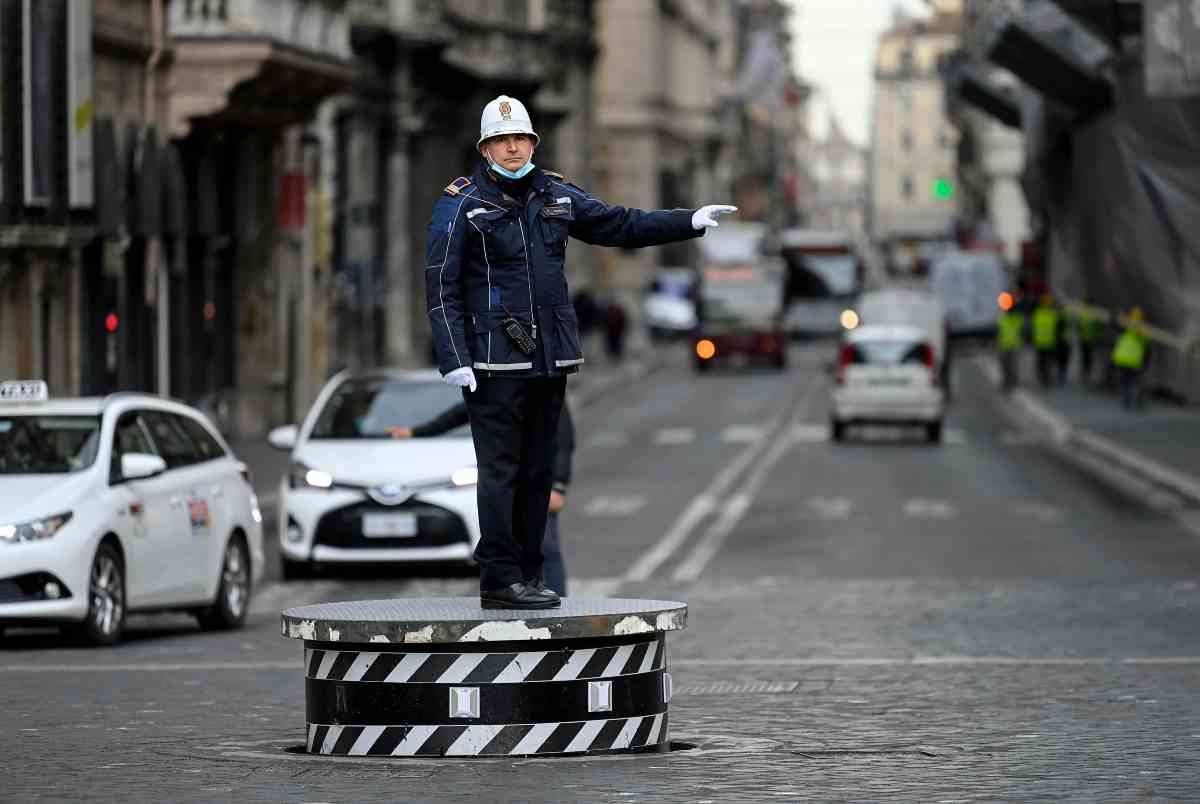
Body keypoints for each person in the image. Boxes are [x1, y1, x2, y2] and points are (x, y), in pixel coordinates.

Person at [424, 94, 735, 609]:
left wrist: (689, 221)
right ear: (484, 148)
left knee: (538, 472)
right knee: (501, 472)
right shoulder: (460, 204)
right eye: (501, 141)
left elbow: (619, 224)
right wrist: (455, 358)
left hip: (549, 356)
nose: (512, 149)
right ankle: (500, 578)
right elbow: (441, 286)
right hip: (494, 359)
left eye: (520, 139)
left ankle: (529, 573)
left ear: (532, 143)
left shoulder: (554, 193)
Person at [390, 400, 577, 595]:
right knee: (511, 547)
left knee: (545, 546)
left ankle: (558, 600)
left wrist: (558, 485)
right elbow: (461, 412)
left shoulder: (538, 380)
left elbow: (562, 436)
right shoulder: (497, 387)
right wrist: (416, 432)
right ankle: (521, 594)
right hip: (504, 481)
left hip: (535, 481)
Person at [1111, 306, 1149, 410]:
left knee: (1125, 382)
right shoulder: (1142, 329)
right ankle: (1134, 402)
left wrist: (1114, 317)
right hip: (1134, 360)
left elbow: (1114, 324)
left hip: (1123, 359)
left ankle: (1127, 402)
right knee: (1133, 382)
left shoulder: (1127, 326)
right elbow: (1146, 347)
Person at [996, 291, 1024, 392]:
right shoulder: (1003, 317)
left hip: (1012, 345)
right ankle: (1008, 382)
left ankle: (1011, 382)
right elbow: (998, 331)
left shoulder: (1015, 317)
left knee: (1010, 365)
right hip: (1005, 345)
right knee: (1006, 366)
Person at [1031, 293, 1060, 389]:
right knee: (1045, 362)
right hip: (1046, 343)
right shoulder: (1051, 314)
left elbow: (1033, 328)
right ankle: (1045, 378)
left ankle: (1045, 378)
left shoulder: (1039, 314)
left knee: (1044, 362)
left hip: (1044, 343)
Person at [1075, 301, 1100, 385]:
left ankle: (1085, 374)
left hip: (1088, 340)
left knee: (1086, 358)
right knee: (1086, 358)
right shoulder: (1089, 315)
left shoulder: (1086, 315)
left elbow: (1095, 327)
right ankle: (1085, 374)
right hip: (1086, 340)